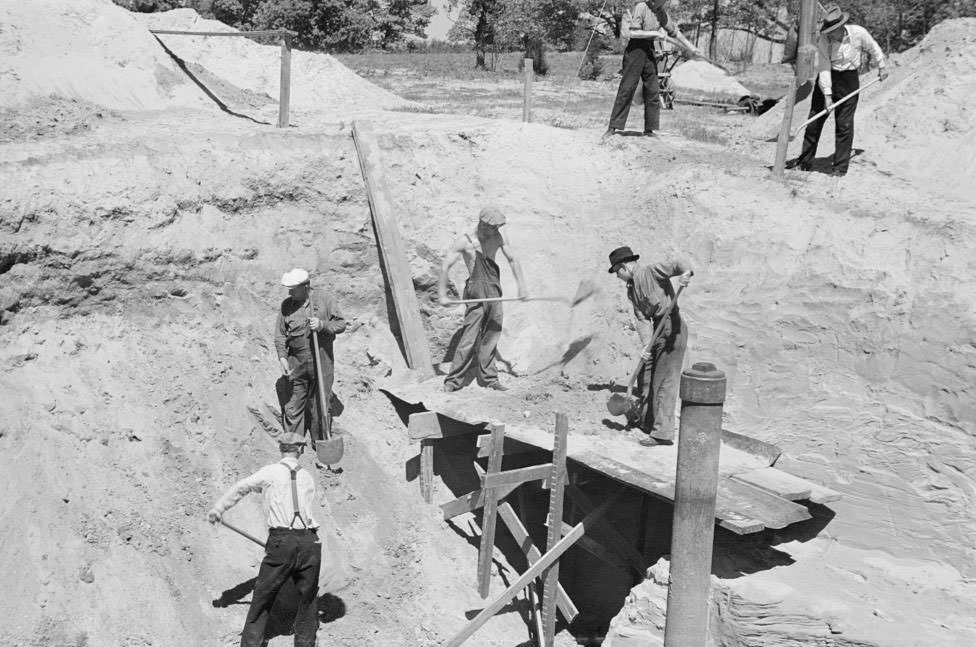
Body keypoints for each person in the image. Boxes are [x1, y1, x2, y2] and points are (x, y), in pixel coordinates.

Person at [208, 433, 323, 647]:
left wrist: (219, 509)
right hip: (310, 542)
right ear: (299, 449)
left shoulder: (270, 472)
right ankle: (305, 643)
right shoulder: (307, 476)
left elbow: (241, 487)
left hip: (282, 540)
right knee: (308, 599)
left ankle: (252, 644)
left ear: (282, 448)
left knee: (262, 596)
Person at [788, 3, 887, 176]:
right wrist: (827, 95)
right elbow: (824, 67)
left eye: (833, 30)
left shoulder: (858, 33)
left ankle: (839, 168)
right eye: (828, 31)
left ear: (841, 27)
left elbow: (873, 46)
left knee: (844, 125)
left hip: (849, 80)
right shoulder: (824, 40)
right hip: (829, 76)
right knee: (814, 121)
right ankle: (805, 162)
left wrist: (882, 66)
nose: (830, 34)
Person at [608, 246, 692, 446]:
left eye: (617, 271)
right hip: (656, 330)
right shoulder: (632, 291)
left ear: (626, 266)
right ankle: (646, 422)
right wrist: (646, 346)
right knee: (645, 375)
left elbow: (678, 263)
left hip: (672, 328)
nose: (617, 276)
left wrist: (686, 273)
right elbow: (642, 318)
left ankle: (662, 433)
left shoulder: (651, 272)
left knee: (664, 381)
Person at [438, 206, 527, 393]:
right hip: (476, 294)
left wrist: (522, 286)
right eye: (493, 227)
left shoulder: (498, 237)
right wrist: (442, 294)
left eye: (498, 228)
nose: (497, 231)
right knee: (469, 339)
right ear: (483, 224)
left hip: (494, 291)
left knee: (492, 336)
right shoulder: (465, 241)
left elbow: (513, 260)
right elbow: (446, 265)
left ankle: (489, 378)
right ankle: (453, 381)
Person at [603, 1, 699, 139]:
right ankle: (613, 128)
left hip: (649, 50)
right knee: (627, 88)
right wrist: (655, 33)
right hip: (635, 49)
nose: (664, 1)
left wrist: (691, 47)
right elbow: (633, 32)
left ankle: (649, 130)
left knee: (653, 89)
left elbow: (675, 32)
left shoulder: (661, 12)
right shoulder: (642, 7)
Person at [275, 269, 347, 453]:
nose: (290, 293)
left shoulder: (325, 300)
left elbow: (341, 324)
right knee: (293, 405)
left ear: (306, 287)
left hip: (322, 362)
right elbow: (280, 337)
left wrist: (322, 325)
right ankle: (293, 449)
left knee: (321, 406)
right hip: (296, 363)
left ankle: (321, 445)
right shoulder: (286, 307)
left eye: (294, 289)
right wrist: (283, 358)